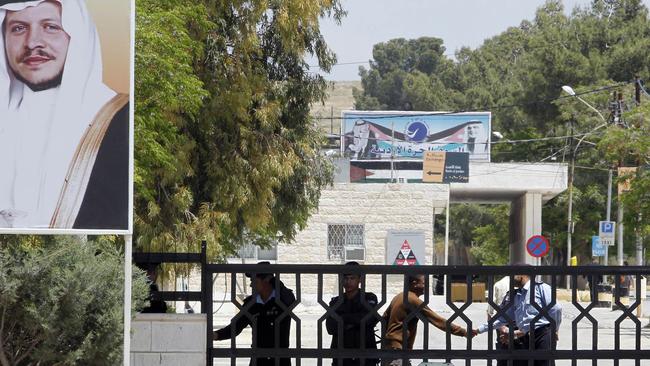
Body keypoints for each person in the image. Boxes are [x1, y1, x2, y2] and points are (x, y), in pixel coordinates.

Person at [0, 0, 129, 230]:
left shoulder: (119, 118)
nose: (32, 43)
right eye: (18, 28)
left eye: (50, 26)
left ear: (76, 34)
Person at [474, 267, 562, 366]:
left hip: (542, 334)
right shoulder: (517, 295)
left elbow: (555, 309)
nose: (510, 279)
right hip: (524, 336)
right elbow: (502, 319)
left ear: (521, 275)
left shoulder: (541, 288)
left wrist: (555, 329)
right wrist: (478, 330)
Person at [213, 262, 296, 366]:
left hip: (281, 360)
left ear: (267, 280)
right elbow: (235, 327)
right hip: (258, 360)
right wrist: (215, 335)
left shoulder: (283, 300)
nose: (251, 284)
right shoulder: (251, 304)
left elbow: (291, 299)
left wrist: (274, 281)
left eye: (254, 280)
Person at [382, 274, 472, 366]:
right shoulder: (412, 299)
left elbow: (384, 317)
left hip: (390, 347)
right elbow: (437, 320)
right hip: (399, 350)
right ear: (414, 283)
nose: (426, 287)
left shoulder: (399, 296)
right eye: (424, 283)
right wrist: (463, 332)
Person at [326, 262, 379, 366]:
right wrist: (356, 322)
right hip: (341, 355)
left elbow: (369, 320)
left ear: (360, 279)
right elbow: (331, 327)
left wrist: (342, 319)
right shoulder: (335, 302)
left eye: (352, 278)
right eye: (345, 278)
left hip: (365, 354)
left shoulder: (369, 298)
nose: (348, 282)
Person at [487, 275, 511, 366]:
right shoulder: (523, 283)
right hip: (518, 321)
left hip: (501, 321)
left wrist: (490, 319)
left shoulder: (499, 284)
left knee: (502, 346)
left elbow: (491, 305)